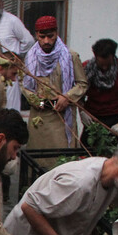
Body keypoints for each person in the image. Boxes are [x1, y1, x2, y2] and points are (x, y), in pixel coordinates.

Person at [22, 16, 88, 163]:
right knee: (37, 161)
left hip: (62, 119)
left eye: (50, 36)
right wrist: (36, 101)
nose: (46, 41)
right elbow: (24, 85)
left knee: (61, 161)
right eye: (42, 36)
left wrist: (67, 97)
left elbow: (82, 84)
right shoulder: (31, 57)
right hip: (39, 118)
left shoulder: (70, 56)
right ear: (36, 35)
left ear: (56, 34)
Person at [0, 0, 35, 109]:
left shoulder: (12, 21)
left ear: (2, 4)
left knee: (10, 105)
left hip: (10, 71)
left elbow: (29, 41)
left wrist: (16, 57)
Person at [82, 38, 118, 130]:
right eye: (101, 65)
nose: (104, 68)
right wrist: (82, 112)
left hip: (115, 116)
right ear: (95, 57)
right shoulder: (85, 69)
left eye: (108, 65)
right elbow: (78, 93)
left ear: (113, 56)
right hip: (92, 116)